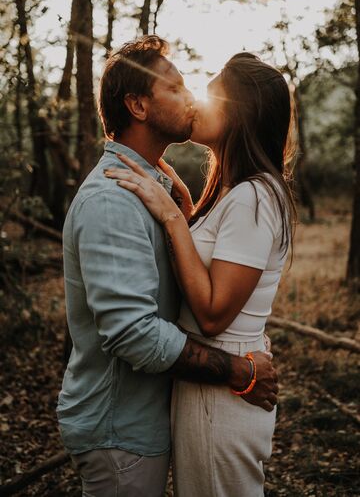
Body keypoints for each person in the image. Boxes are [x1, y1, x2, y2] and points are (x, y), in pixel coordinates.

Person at [57, 36, 278, 497]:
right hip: (121, 428)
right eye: (176, 88)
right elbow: (132, 333)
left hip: (149, 420)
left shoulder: (148, 186)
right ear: (138, 106)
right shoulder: (112, 201)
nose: (191, 98)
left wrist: (182, 208)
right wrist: (239, 371)